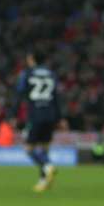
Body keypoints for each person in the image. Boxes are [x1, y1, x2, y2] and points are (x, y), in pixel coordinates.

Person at [12, 49, 61, 192]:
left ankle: (48, 166)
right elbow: (56, 97)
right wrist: (60, 117)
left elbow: (19, 95)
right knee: (45, 149)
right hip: (50, 115)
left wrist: (13, 115)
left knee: (29, 149)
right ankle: (43, 180)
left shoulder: (26, 74)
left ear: (32, 59)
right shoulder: (51, 74)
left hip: (35, 115)